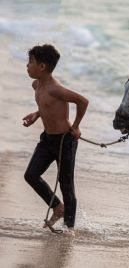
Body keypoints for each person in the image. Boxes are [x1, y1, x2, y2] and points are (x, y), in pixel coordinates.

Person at [23, 44, 89, 236]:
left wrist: (75, 126)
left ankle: (69, 228)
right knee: (31, 175)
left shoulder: (55, 88)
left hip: (64, 141)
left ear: (42, 67)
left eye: (30, 62)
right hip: (47, 140)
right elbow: (47, 106)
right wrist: (37, 114)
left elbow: (82, 101)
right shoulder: (37, 85)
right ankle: (58, 207)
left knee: (65, 182)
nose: (27, 66)